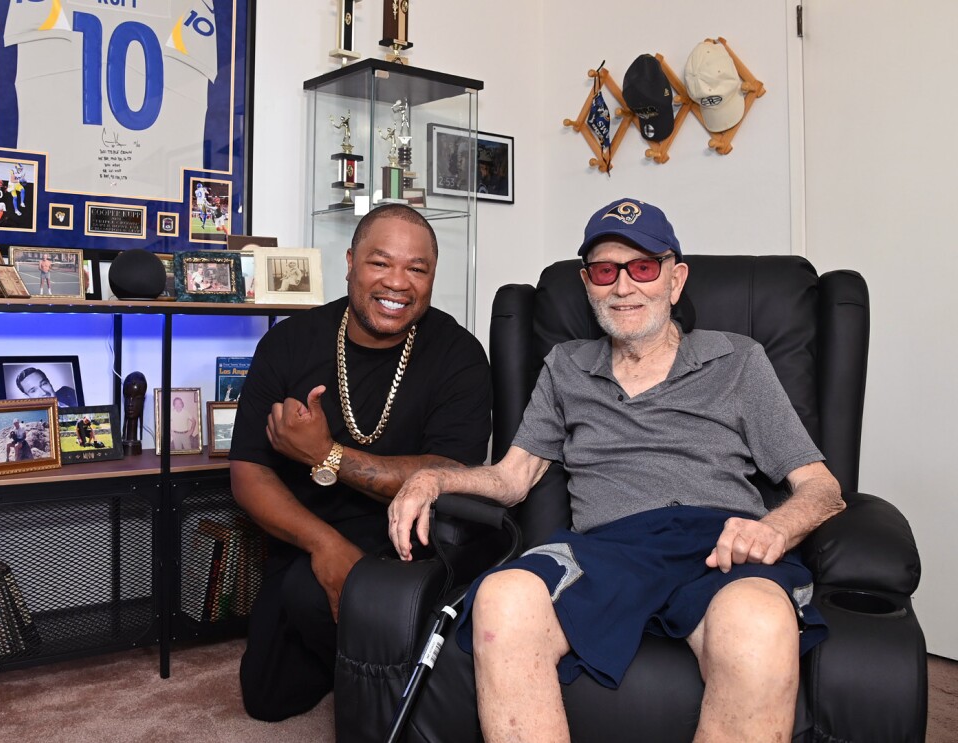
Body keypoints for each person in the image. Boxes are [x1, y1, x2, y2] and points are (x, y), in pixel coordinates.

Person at [387, 198, 845, 742]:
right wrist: (433, 478)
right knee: (502, 599)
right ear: (588, 284)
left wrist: (773, 529)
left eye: (644, 268)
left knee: (760, 622)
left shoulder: (738, 359)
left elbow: (822, 488)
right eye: (606, 271)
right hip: (605, 549)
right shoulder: (566, 367)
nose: (623, 287)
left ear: (676, 280)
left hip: (716, 544)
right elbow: (511, 479)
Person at [229, 203, 492, 721]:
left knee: (346, 644)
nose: (398, 282)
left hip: (413, 542)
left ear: (432, 276)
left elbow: (449, 475)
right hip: (308, 531)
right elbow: (248, 472)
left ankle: (397, 686)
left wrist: (324, 454)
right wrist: (324, 544)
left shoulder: (459, 353)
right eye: (380, 262)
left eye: (417, 269)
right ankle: (354, 662)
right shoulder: (289, 342)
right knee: (266, 697)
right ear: (350, 262)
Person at [15, 366, 80, 407]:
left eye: (43, 384)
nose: (43, 393)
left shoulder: (68, 392)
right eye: (33, 390)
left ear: (49, 383)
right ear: (28, 397)